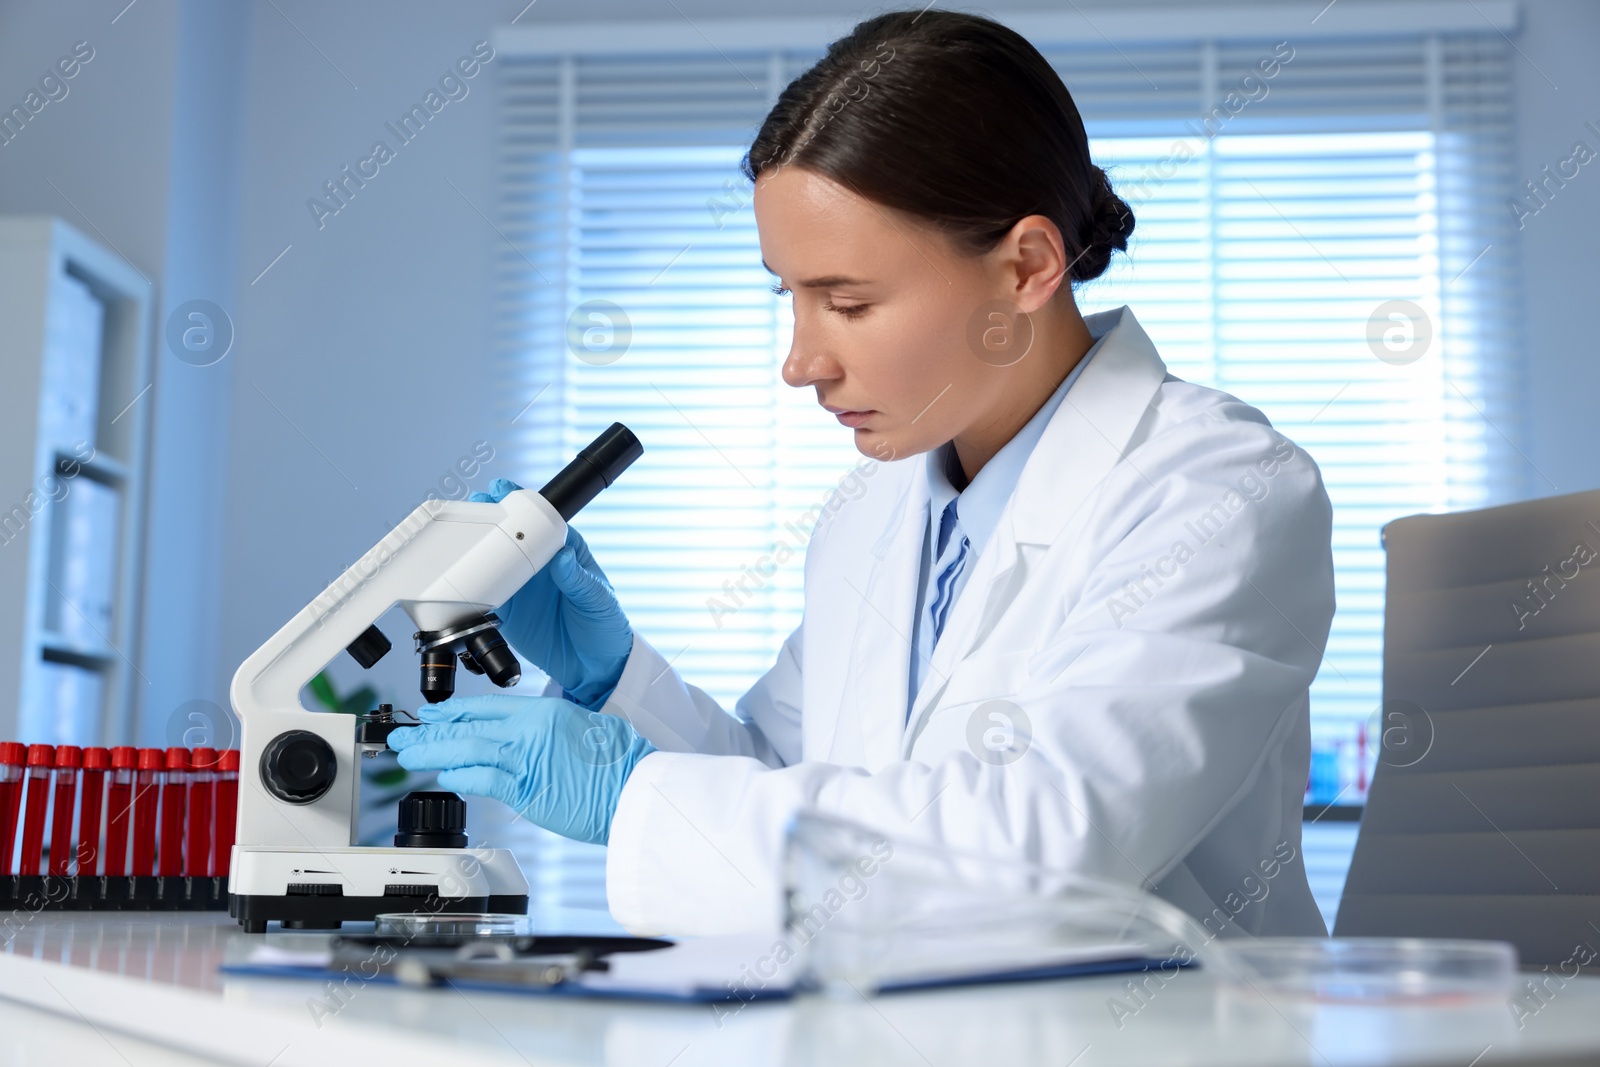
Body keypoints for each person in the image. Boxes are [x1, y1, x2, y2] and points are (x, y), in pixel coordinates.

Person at [390, 9, 1335, 939]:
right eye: (790, 297)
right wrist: (615, 682)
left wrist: (632, 795)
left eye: (848, 301)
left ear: (1028, 266)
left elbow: (1045, 855)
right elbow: (787, 782)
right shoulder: (878, 507)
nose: (801, 362)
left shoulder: (1219, 491)